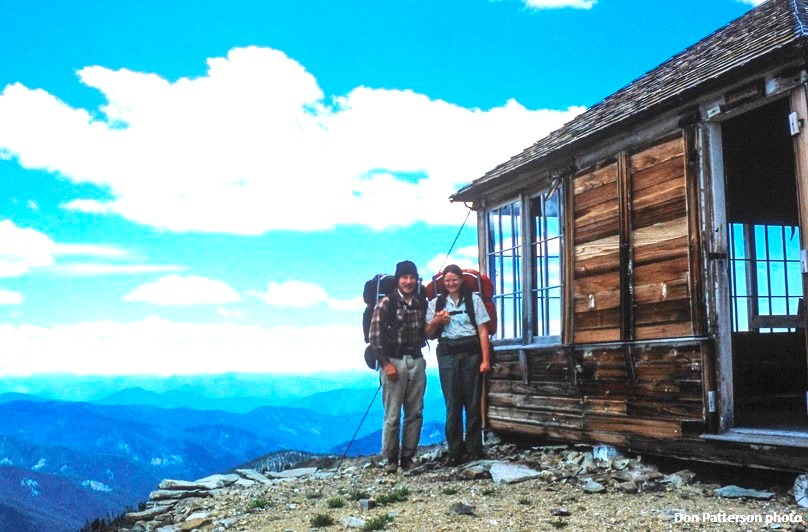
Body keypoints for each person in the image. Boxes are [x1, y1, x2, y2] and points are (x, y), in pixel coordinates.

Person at [425, 264, 492, 465]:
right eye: (447, 280)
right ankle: (455, 451)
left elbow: (483, 330)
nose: (451, 283)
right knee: (452, 404)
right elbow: (428, 333)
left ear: (461, 280)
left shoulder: (474, 300)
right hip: (448, 355)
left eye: (454, 279)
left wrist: (486, 360)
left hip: (472, 354)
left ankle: (474, 449)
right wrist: (437, 321)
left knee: (473, 403)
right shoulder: (436, 304)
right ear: (443, 283)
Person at [368, 260, 427, 473]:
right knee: (392, 414)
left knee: (415, 412)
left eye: (412, 277)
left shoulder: (420, 302)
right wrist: (385, 364)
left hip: (417, 360)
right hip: (393, 361)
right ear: (398, 279)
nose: (408, 281)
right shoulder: (386, 303)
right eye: (404, 277)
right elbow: (374, 337)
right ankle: (391, 459)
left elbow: (426, 332)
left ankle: (408, 458)